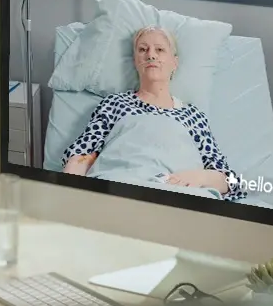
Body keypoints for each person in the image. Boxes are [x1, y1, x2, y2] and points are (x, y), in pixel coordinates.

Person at [60, 25, 245, 201]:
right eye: (142, 49)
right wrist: (72, 197)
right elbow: (80, 156)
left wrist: (200, 177)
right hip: (119, 187)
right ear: (135, 61)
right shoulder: (114, 103)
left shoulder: (193, 116)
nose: (151, 55)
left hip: (179, 195)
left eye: (160, 50)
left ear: (175, 62)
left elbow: (232, 182)